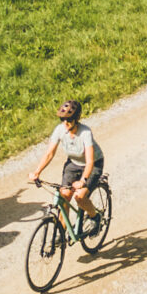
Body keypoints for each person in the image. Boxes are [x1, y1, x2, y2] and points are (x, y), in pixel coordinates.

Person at [28, 99, 106, 235]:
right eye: (62, 119)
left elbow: (89, 161)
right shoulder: (60, 130)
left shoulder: (85, 133)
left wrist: (83, 180)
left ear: (76, 119)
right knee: (63, 196)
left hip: (93, 164)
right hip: (74, 163)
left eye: (69, 120)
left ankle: (95, 217)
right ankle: (62, 233)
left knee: (80, 196)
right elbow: (49, 153)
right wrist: (37, 172)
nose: (65, 123)